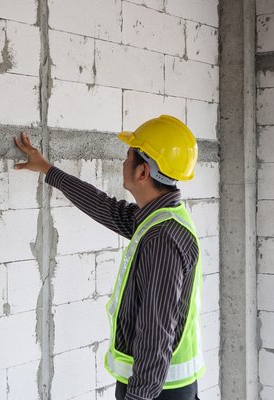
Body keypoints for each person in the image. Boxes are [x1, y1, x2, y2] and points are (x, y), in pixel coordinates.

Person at [13, 115, 204, 400]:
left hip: (157, 391)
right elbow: (106, 207)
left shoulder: (162, 237)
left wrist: (138, 397)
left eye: (128, 156)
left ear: (143, 172)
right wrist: (47, 169)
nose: (123, 163)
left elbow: (156, 330)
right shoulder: (158, 218)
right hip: (157, 386)